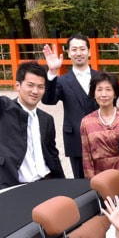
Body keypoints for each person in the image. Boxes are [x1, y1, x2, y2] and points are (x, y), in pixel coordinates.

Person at [0, 26, 65, 189]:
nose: (35, 91)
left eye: (40, 87)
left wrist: (62, 183)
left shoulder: (47, 119)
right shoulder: (3, 109)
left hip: (47, 181)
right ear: (17, 85)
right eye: (30, 85)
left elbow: (52, 154)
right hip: (15, 185)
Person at [41, 33, 99, 179]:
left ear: (89, 51)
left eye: (82, 49)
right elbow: (49, 100)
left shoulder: (101, 77)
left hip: (101, 137)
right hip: (75, 138)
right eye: (74, 49)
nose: (78, 53)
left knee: (105, 179)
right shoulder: (62, 81)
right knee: (80, 182)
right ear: (68, 53)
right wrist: (52, 72)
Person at [80, 71, 119, 181]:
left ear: (115, 94)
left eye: (108, 89)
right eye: (99, 90)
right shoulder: (87, 121)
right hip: (100, 174)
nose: (104, 94)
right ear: (94, 93)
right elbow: (86, 157)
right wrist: (91, 182)